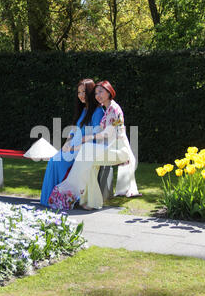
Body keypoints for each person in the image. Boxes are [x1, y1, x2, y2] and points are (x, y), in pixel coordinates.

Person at [48, 80, 141, 210]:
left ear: (109, 92)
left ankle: (69, 191)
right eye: (96, 93)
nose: (98, 95)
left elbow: (109, 133)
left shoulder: (114, 109)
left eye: (101, 92)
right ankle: (89, 201)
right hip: (108, 148)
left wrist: (87, 138)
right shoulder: (107, 109)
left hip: (118, 149)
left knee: (87, 151)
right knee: (89, 164)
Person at [40, 78, 104, 207]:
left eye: (84, 92)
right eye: (79, 92)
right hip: (72, 147)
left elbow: (96, 138)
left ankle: (62, 198)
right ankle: (50, 199)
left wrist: (73, 148)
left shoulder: (97, 112)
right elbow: (74, 130)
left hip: (84, 150)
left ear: (90, 92)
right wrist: (67, 143)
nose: (81, 95)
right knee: (53, 160)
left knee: (57, 162)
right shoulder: (84, 110)